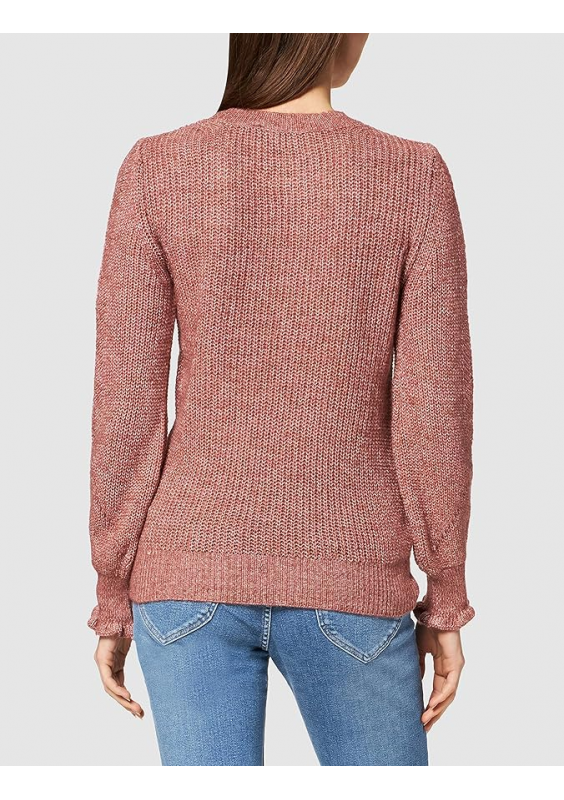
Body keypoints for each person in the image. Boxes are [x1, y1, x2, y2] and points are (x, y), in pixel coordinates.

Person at [88, 33, 475, 766]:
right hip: (352, 573)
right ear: (331, 31)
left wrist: (113, 585)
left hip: (185, 575)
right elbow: (435, 406)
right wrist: (445, 589)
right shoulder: (411, 174)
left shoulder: (157, 167)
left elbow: (125, 401)